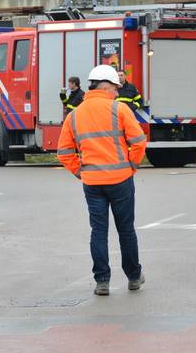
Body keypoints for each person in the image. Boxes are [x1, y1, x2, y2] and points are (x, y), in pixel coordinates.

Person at [57, 64, 148, 297]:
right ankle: (134, 276)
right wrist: (132, 167)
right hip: (121, 180)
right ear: (106, 86)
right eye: (116, 88)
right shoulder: (120, 110)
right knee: (126, 230)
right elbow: (139, 141)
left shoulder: (75, 114)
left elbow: (64, 152)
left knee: (98, 231)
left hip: (92, 182)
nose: (118, 92)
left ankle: (102, 281)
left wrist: (81, 172)